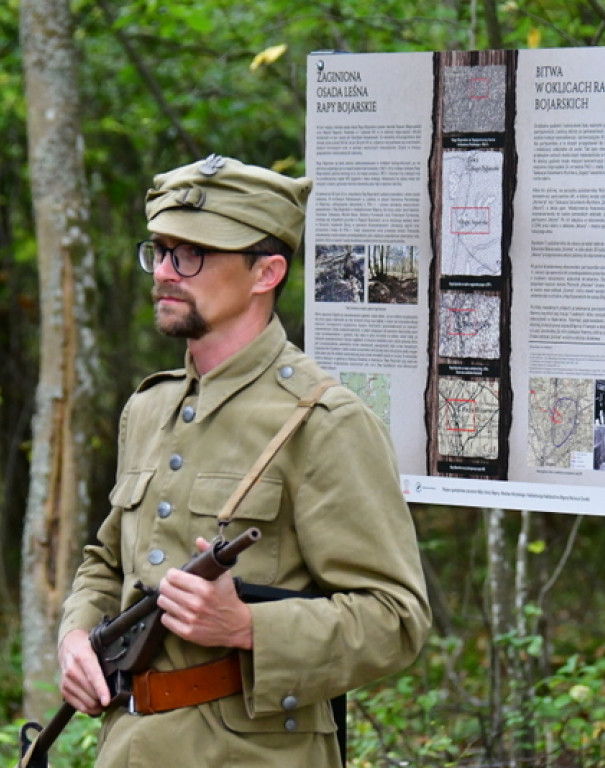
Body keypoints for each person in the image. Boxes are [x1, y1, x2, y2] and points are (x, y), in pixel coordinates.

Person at [56, 154, 431, 767]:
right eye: (161, 250)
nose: (168, 272)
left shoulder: (323, 421)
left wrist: (247, 628)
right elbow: (106, 558)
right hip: (127, 748)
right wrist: (76, 634)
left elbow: (397, 618)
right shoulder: (148, 409)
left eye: (194, 254)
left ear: (266, 272)